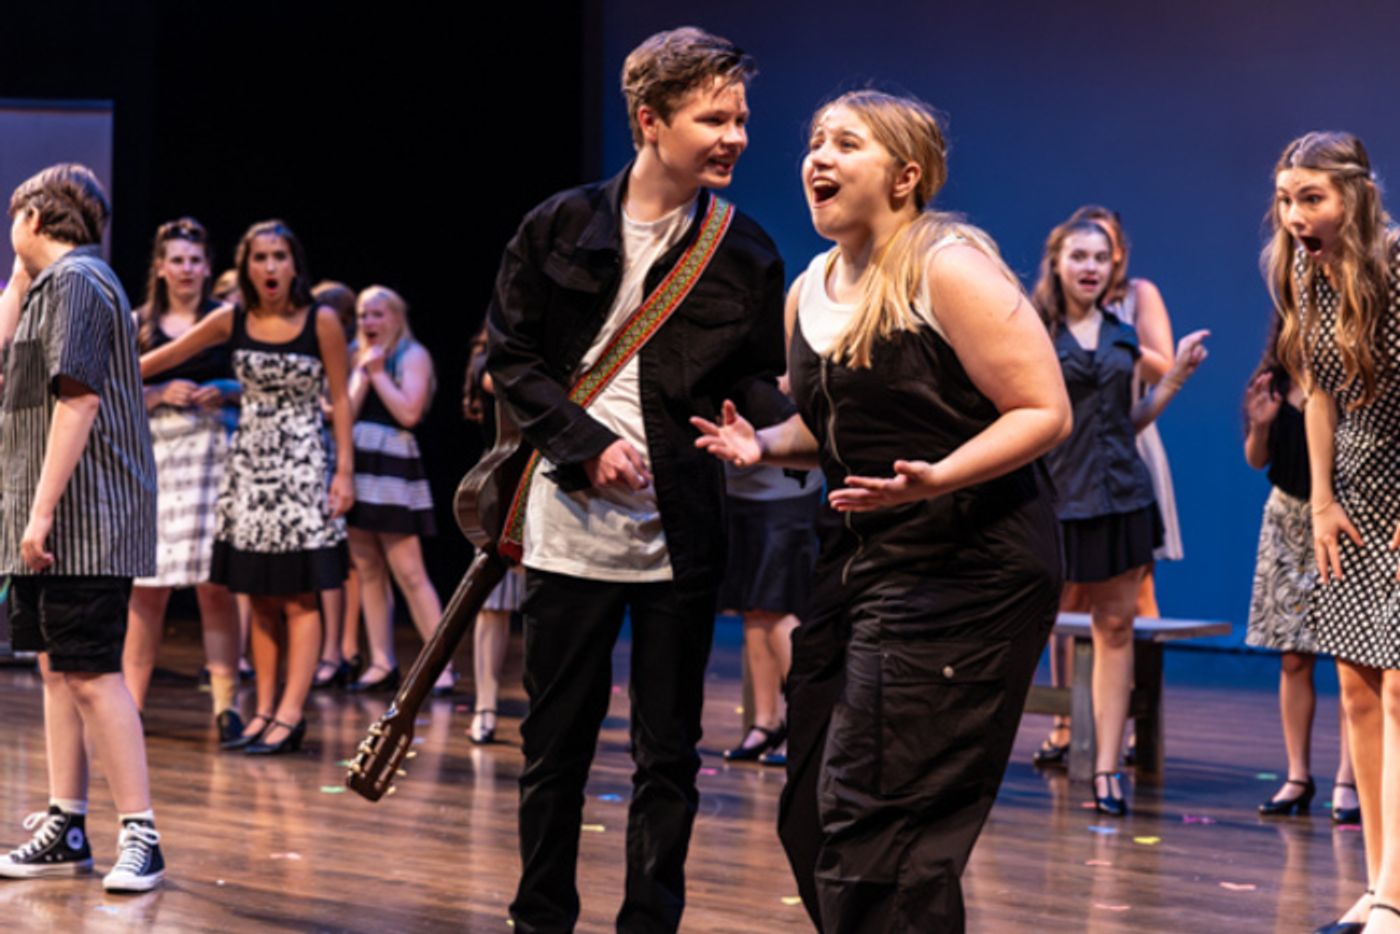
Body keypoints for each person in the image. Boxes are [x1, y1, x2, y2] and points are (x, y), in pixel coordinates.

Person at [693, 89, 1070, 932]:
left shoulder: (948, 268)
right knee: (812, 810)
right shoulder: (810, 288)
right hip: (863, 562)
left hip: (969, 564)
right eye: (815, 141)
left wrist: (940, 478)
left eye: (846, 143)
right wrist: (764, 445)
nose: (818, 158)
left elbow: (1044, 410)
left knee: (884, 821)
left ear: (904, 176)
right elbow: (833, 428)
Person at [485, 27, 790, 932]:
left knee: (670, 757)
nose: (736, 137)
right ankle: (540, 919)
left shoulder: (745, 250)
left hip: (680, 537)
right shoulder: (559, 225)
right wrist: (583, 445)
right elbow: (512, 357)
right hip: (568, 529)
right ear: (651, 120)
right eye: (714, 119)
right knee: (554, 750)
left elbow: (751, 378)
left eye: (740, 119)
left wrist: (774, 431)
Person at [0, 163, 164, 891]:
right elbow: (6, 370)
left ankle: (142, 834)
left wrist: (40, 514)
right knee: (57, 668)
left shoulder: (80, 283)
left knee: (94, 673)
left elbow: (79, 400)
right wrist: (16, 279)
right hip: (47, 520)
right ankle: (66, 824)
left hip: (84, 519)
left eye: (14, 219)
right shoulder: (47, 288)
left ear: (33, 218)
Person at [140, 219, 353, 755]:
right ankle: (262, 711)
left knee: (299, 596)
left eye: (279, 256)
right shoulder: (232, 318)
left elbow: (341, 399)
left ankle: (290, 713)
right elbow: (152, 362)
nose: (270, 267)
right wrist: (86, 372)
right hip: (249, 467)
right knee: (257, 597)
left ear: (294, 263)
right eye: (260, 258)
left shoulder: (320, 320)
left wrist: (344, 472)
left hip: (301, 465)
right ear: (246, 267)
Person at [1264, 131, 1400, 934]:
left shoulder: (1397, 266)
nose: (1294, 216)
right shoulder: (1306, 274)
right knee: (1356, 689)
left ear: (1356, 195)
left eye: (1311, 198)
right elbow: (1316, 390)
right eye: (1286, 199)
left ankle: (1399, 894)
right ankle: (1378, 884)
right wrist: (1320, 499)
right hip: (1348, 496)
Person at [1031, 217, 1206, 816]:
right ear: (1057, 262)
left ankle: (1106, 769)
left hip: (1120, 498)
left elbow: (1127, 423)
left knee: (1115, 629)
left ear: (1113, 267)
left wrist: (1175, 378)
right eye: (1078, 256)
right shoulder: (1033, 331)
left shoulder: (1122, 335)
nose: (1090, 267)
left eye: (1100, 258)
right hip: (1056, 500)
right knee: (1027, 621)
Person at [120, 218, 243, 744]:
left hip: (214, 457)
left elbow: (258, 381)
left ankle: (226, 705)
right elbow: (109, 389)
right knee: (147, 588)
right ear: (160, 267)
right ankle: (130, 706)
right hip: (156, 460)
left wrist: (225, 389)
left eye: (195, 260)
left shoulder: (226, 320)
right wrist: (156, 393)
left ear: (208, 266)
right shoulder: (139, 323)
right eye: (177, 260)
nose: (187, 269)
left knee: (215, 586)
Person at [1243, 318, 1358, 822]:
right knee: (1294, 657)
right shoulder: (1274, 380)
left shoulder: (1353, 377)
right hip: (1287, 520)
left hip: (1343, 522)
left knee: (1353, 657)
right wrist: (1261, 425)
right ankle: (1297, 775)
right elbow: (1256, 460)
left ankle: (1349, 779)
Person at [344, 285, 451, 695]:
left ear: (396, 317)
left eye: (377, 314)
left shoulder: (411, 355)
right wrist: (361, 372)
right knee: (368, 568)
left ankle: (440, 667)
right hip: (359, 464)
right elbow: (343, 413)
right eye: (363, 315)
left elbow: (409, 412)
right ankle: (381, 662)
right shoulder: (356, 355)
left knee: (409, 571)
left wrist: (376, 373)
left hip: (392, 466)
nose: (369, 322)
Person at [718, 461, 819, 766]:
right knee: (754, 608)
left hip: (787, 489)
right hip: (737, 487)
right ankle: (766, 722)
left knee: (779, 607)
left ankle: (804, 725)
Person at [462, 325, 522, 744]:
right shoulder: (492, 355)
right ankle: (485, 705)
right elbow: (498, 378)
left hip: (552, 472)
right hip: (502, 477)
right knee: (492, 599)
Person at [310, 279, 363, 688]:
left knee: (342, 560)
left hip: (332, 457)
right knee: (338, 560)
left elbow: (338, 405)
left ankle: (340, 648)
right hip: (317, 455)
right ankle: (340, 647)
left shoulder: (349, 353)